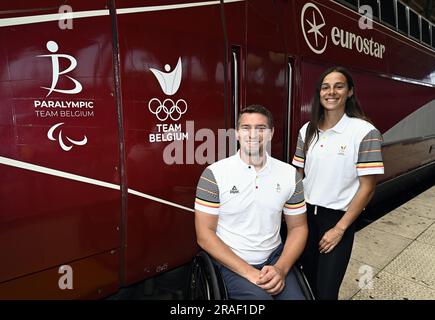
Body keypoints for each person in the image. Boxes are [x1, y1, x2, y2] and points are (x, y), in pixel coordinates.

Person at [194, 105, 308, 300]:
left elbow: (298, 227)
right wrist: (250, 273)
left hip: (274, 258)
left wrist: (281, 268)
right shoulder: (214, 174)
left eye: (261, 128)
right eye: (246, 127)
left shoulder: (289, 175)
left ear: (271, 133)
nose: (253, 134)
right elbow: (204, 235)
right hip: (231, 260)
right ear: (237, 133)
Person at [292, 66, 384, 300]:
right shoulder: (307, 130)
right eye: (325, 87)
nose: (331, 92)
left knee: (326, 291)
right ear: (319, 93)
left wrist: (339, 229)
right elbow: (298, 175)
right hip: (305, 218)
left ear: (350, 92)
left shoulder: (365, 132)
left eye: (339, 86)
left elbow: (368, 187)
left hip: (336, 220)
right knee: (305, 284)